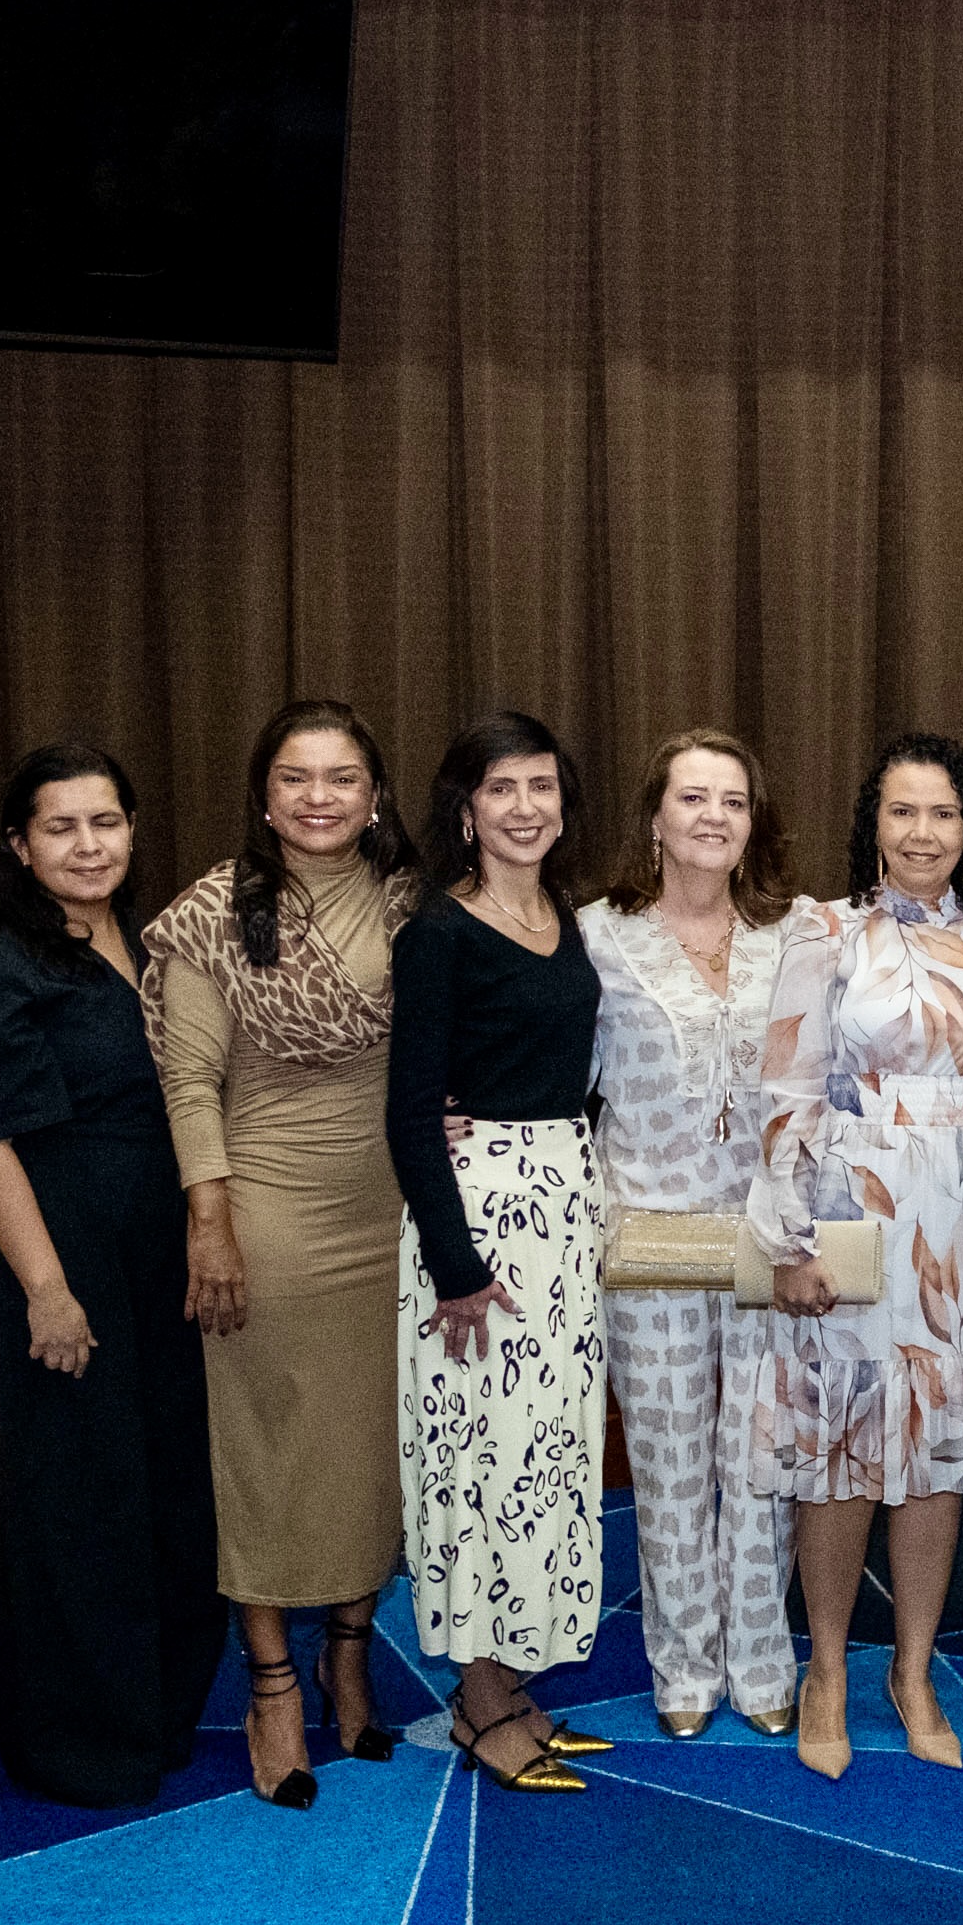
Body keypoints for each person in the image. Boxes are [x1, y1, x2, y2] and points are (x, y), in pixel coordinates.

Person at [750, 733, 963, 1778]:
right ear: (872, 825)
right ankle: (828, 1672)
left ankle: (914, 1672)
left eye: (944, 814)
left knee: (938, 1454)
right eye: (903, 811)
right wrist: (788, 1241)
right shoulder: (825, 931)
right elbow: (786, 1092)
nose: (923, 833)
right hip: (850, 1219)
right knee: (839, 1452)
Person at [145, 701, 417, 1806]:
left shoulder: (414, 901)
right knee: (266, 1444)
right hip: (266, 1210)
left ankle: (347, 1654)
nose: (319, 798)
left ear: (375, 796)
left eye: (342, 778)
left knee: (373, 1444)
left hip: (393, 1210)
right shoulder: (213, 915)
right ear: (264, 798)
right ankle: (269, 1684)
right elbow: (188, 1080)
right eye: (296, 779)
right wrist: (208, 1221)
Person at [0, 739, 219, 1809]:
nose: (88, 845)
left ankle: (153, 1715)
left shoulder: (148, 948)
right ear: (20, 845)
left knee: (161, 1487)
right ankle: (76, 1744)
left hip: (154, 1264)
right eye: (60, 827)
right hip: (56, 1265)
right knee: (74, 1501)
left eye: (105, 822)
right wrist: (49, 1292)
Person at [388, 714, 612, 1792]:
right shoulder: (439, 932)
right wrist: (457, 1267)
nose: (525, 807)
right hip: (480, 1232)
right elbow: (407, 1112)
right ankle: (479, 1704)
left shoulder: (564, 916)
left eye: (541, 785)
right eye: (500, 789)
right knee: (481, 1460)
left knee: (547, 1456)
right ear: (466, 811)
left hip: (564, 1215)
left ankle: (515, 1682)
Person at [584, 730, 805, 1739]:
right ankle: (682, 1666)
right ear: (656, 817)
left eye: (734, 801)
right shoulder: (594, 937)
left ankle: (761, 1660)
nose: (713, 816)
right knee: (668, 1460)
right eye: (693, 798)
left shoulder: (795, 936)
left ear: (754, 824)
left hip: (767, 1234)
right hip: (648, 1239)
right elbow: (549, 1071)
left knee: (761, 1459)